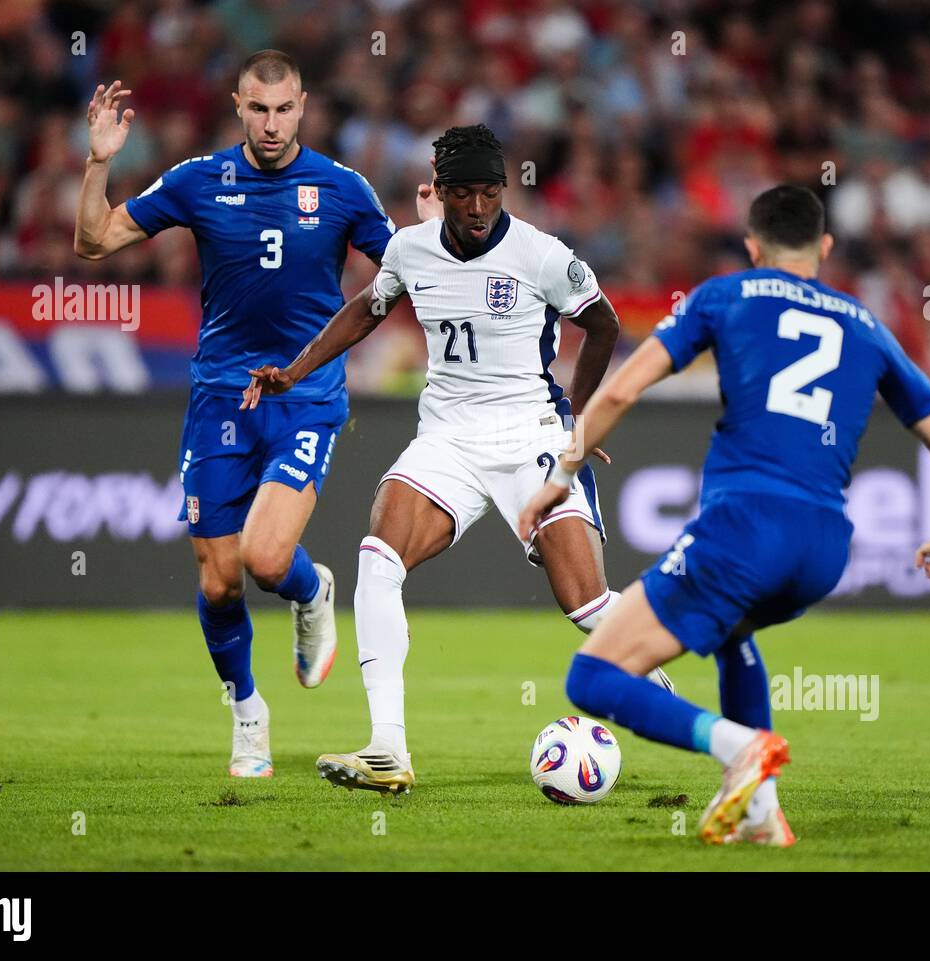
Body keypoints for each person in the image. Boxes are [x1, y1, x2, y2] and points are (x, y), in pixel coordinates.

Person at [518, 184, 930, 845]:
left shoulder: (724, 296)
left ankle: (736, 748)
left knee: (592, 675)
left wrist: (560, 474)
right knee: (732, 635)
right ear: (824, 247)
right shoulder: (866, 323)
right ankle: (761, 817)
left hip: (744, 527)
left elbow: (620, 386)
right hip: (823, 547)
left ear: (752, 246)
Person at [244, 124, 669, 794]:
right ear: (438, 193)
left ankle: (645, 647)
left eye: (489, 193)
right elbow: (366, 309)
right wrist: (295, 372)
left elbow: (605, 322)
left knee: (584, 604)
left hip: (528, 435)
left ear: (504, 191)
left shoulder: (541, 254)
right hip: (446, 437)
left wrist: (579, 421)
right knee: (378, 556)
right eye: (463, 194)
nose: (476, 207)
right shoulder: (411, 249)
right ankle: (388, 748)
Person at [74, 49, 441, 778]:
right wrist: (97, 162)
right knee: (218, 582)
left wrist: (429, 236)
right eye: (257, 110)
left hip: (303, 393)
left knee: (265, 558)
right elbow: (93, 240)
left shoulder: (341, 188)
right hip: (218, 396)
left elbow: (408, 279)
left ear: (302, 107)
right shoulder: (199, 180)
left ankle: (312, 587)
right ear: (238, 108)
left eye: (283, 110)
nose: (271, 125)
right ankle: (247, 710)